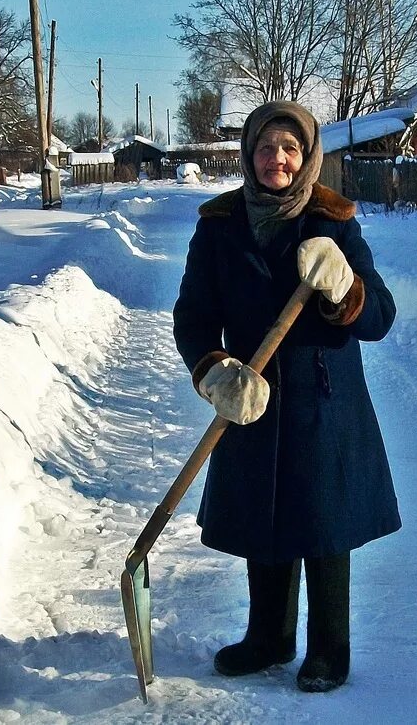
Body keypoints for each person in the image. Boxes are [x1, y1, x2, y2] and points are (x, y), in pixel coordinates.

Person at [172, 101, 400, 693]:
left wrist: (345, 288)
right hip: (253, 392)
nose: (278, 158)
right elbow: (193, 315)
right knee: (263, 513)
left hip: (325, 398)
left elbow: (379, 315)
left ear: (307, 158)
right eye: (267, 147)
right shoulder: (219, 224)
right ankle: (269, 636)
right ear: (249, 153)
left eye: (290, 149)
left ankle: (330, 649)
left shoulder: (335, 221)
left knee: (324, 522)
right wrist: (215, 370)